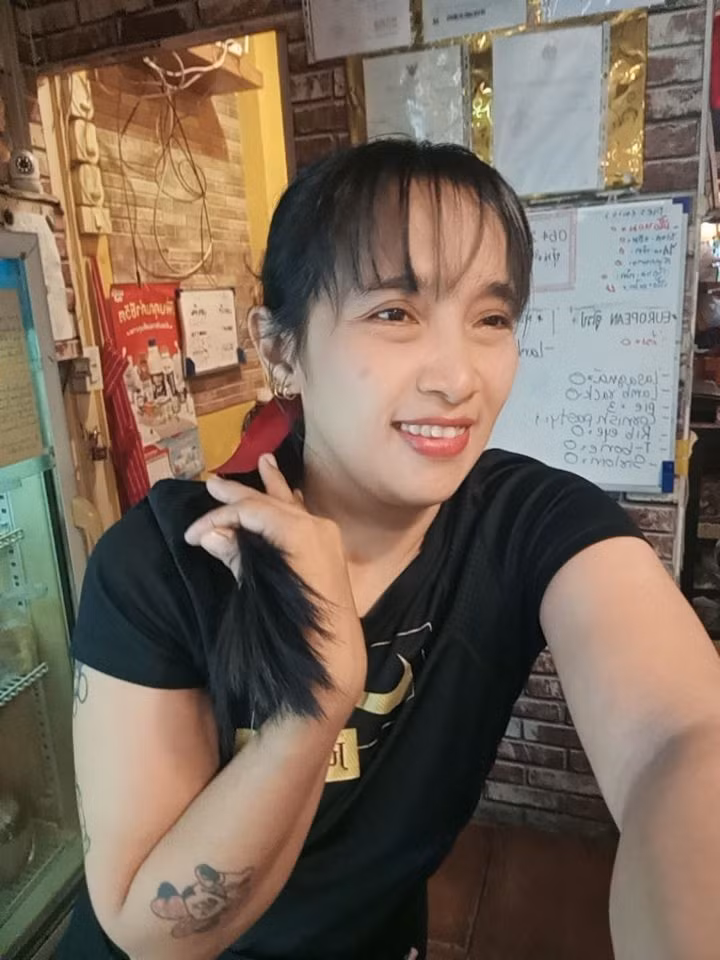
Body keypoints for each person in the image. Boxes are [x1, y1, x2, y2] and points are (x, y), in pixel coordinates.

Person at [58, 139, 720, 960]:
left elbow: (683, 740)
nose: (458, 378)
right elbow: (148, 931)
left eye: (491, 319)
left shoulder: (531, 524)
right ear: (282, 348)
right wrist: (316, 702)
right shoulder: (169, 561)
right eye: (394, 313)